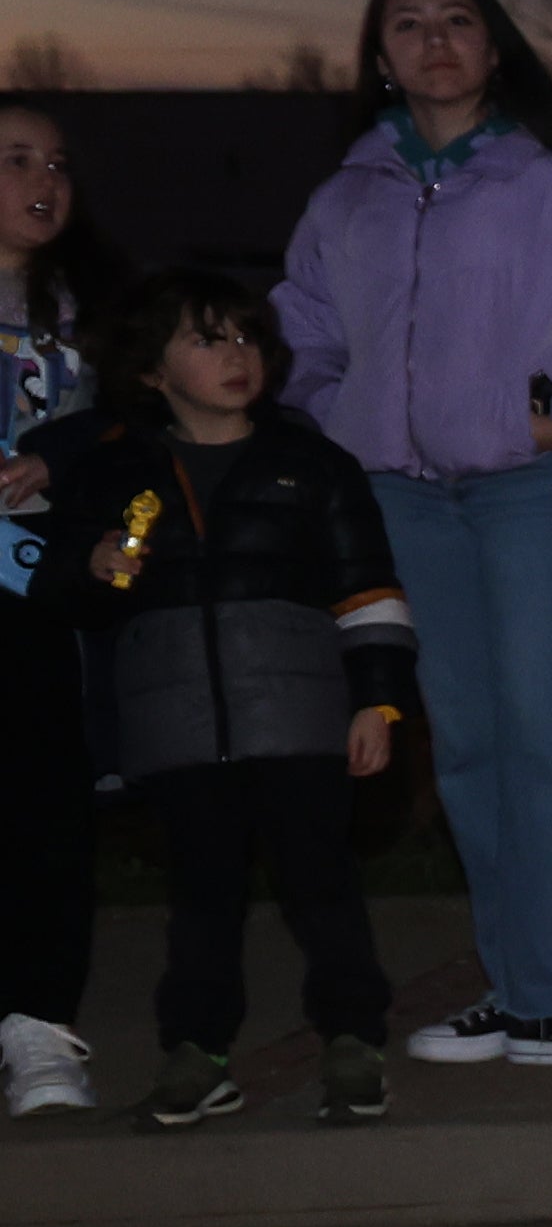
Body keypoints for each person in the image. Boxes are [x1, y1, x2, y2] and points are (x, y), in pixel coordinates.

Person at [274, 0, 552, 1073]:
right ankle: (512, 992)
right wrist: (343, 421)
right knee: (465, 746)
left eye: (457, 20)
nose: (434, 41)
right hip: (401, 503)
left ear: (494, 45)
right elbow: (307, 345)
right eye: (409, 24)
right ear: (380, 57)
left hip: (537, 496)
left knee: (540, 735)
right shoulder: (345, 200)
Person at [40, 270, 417, 1128]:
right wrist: (94, 570)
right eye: (205, 339)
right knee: (201, 899)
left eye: (246, 336)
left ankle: (354, 1043)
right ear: (150, 370)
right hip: (176, 727)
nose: (235, 355)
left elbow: (370, 591)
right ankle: (197, 1053)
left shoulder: (312, 463)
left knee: (321, 885)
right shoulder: (111, 473)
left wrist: (378, 702)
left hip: (301, 719)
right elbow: (69, 595)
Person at [0, 95, 110, 1115]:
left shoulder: (88, 312)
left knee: (45, 814)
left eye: (59, 162)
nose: (46, 179)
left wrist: (53, 458)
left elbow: (126, 431)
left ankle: (39, 1030)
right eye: (17, 158)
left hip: (38, 597)